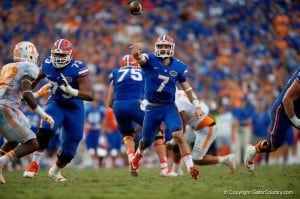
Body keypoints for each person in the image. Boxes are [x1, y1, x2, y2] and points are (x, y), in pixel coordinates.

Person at [130, 35, 201, 179]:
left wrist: (197, 105)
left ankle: (191, 167)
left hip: (169, 107)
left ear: (171, 49)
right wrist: (136, 54)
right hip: (152, 108)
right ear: (156, 47)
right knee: (146, 141)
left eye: (166, 46)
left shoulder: (178, 66)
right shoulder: (150, 60)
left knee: (178, 135)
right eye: (160, 46)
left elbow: (187, 88)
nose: (163, 49)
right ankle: (136, 157)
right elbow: (141, 58)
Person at [23, 39, 94, 182]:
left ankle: (55, 172)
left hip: (74, 108)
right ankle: (35, 162)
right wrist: (29, 92)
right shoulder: (48, 63)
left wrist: (73, 91)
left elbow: (90, 95)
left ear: (69, 54)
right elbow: (36, 79)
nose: (58, 58)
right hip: (56, 103)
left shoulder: (77, 67)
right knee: (47, 127)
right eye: (56, 54)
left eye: (62, 55)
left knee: (70, 148)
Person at [107, 54, 175, 177]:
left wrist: (121, 108)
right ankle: (164, 168)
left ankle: (132, 161)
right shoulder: (143, 72)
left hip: (118, 105)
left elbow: (109, 103)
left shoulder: (116, 72)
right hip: (137, 104)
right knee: (158, 132)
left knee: (128, 135)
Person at [0, 41, 54, 184]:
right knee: (33, 143)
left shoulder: (7, 67)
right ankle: (1, 162)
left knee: (14, 138)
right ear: (30, 55)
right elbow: (27, 95)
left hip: (5, 106)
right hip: (5, 109)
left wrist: (38, 93)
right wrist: (43, 114)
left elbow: (20, 95)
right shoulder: (28, 67)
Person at [245, 65, 300, 171]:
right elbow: (287, 99)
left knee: (290, 143)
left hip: (297, 108)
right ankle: (253, 150)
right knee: (273, 145)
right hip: (284, 109)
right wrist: (296, 121)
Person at [169, 90, 236, 175]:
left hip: (206, 128)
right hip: (196, 125)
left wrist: (181, 133)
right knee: (177, 143)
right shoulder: (181, 92)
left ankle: (226, 159)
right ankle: (176, 170)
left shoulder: (177, 99)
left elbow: (183, 116)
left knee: (197, 159)